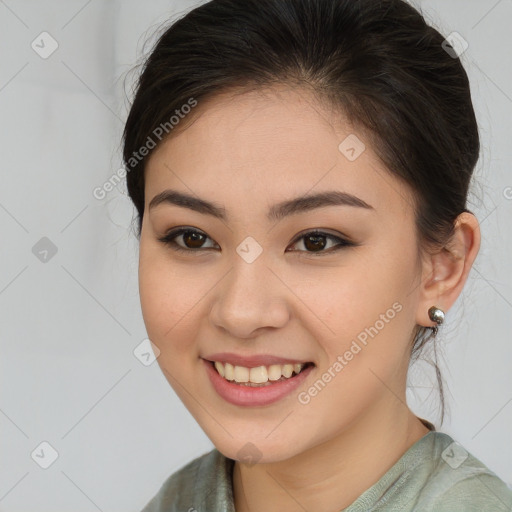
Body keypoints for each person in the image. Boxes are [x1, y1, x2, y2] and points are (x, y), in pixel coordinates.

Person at [122, 0, 512, 510]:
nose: (241, 312)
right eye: (193, 238)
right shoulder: (178, 500)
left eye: (316, 241)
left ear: (441, 267)